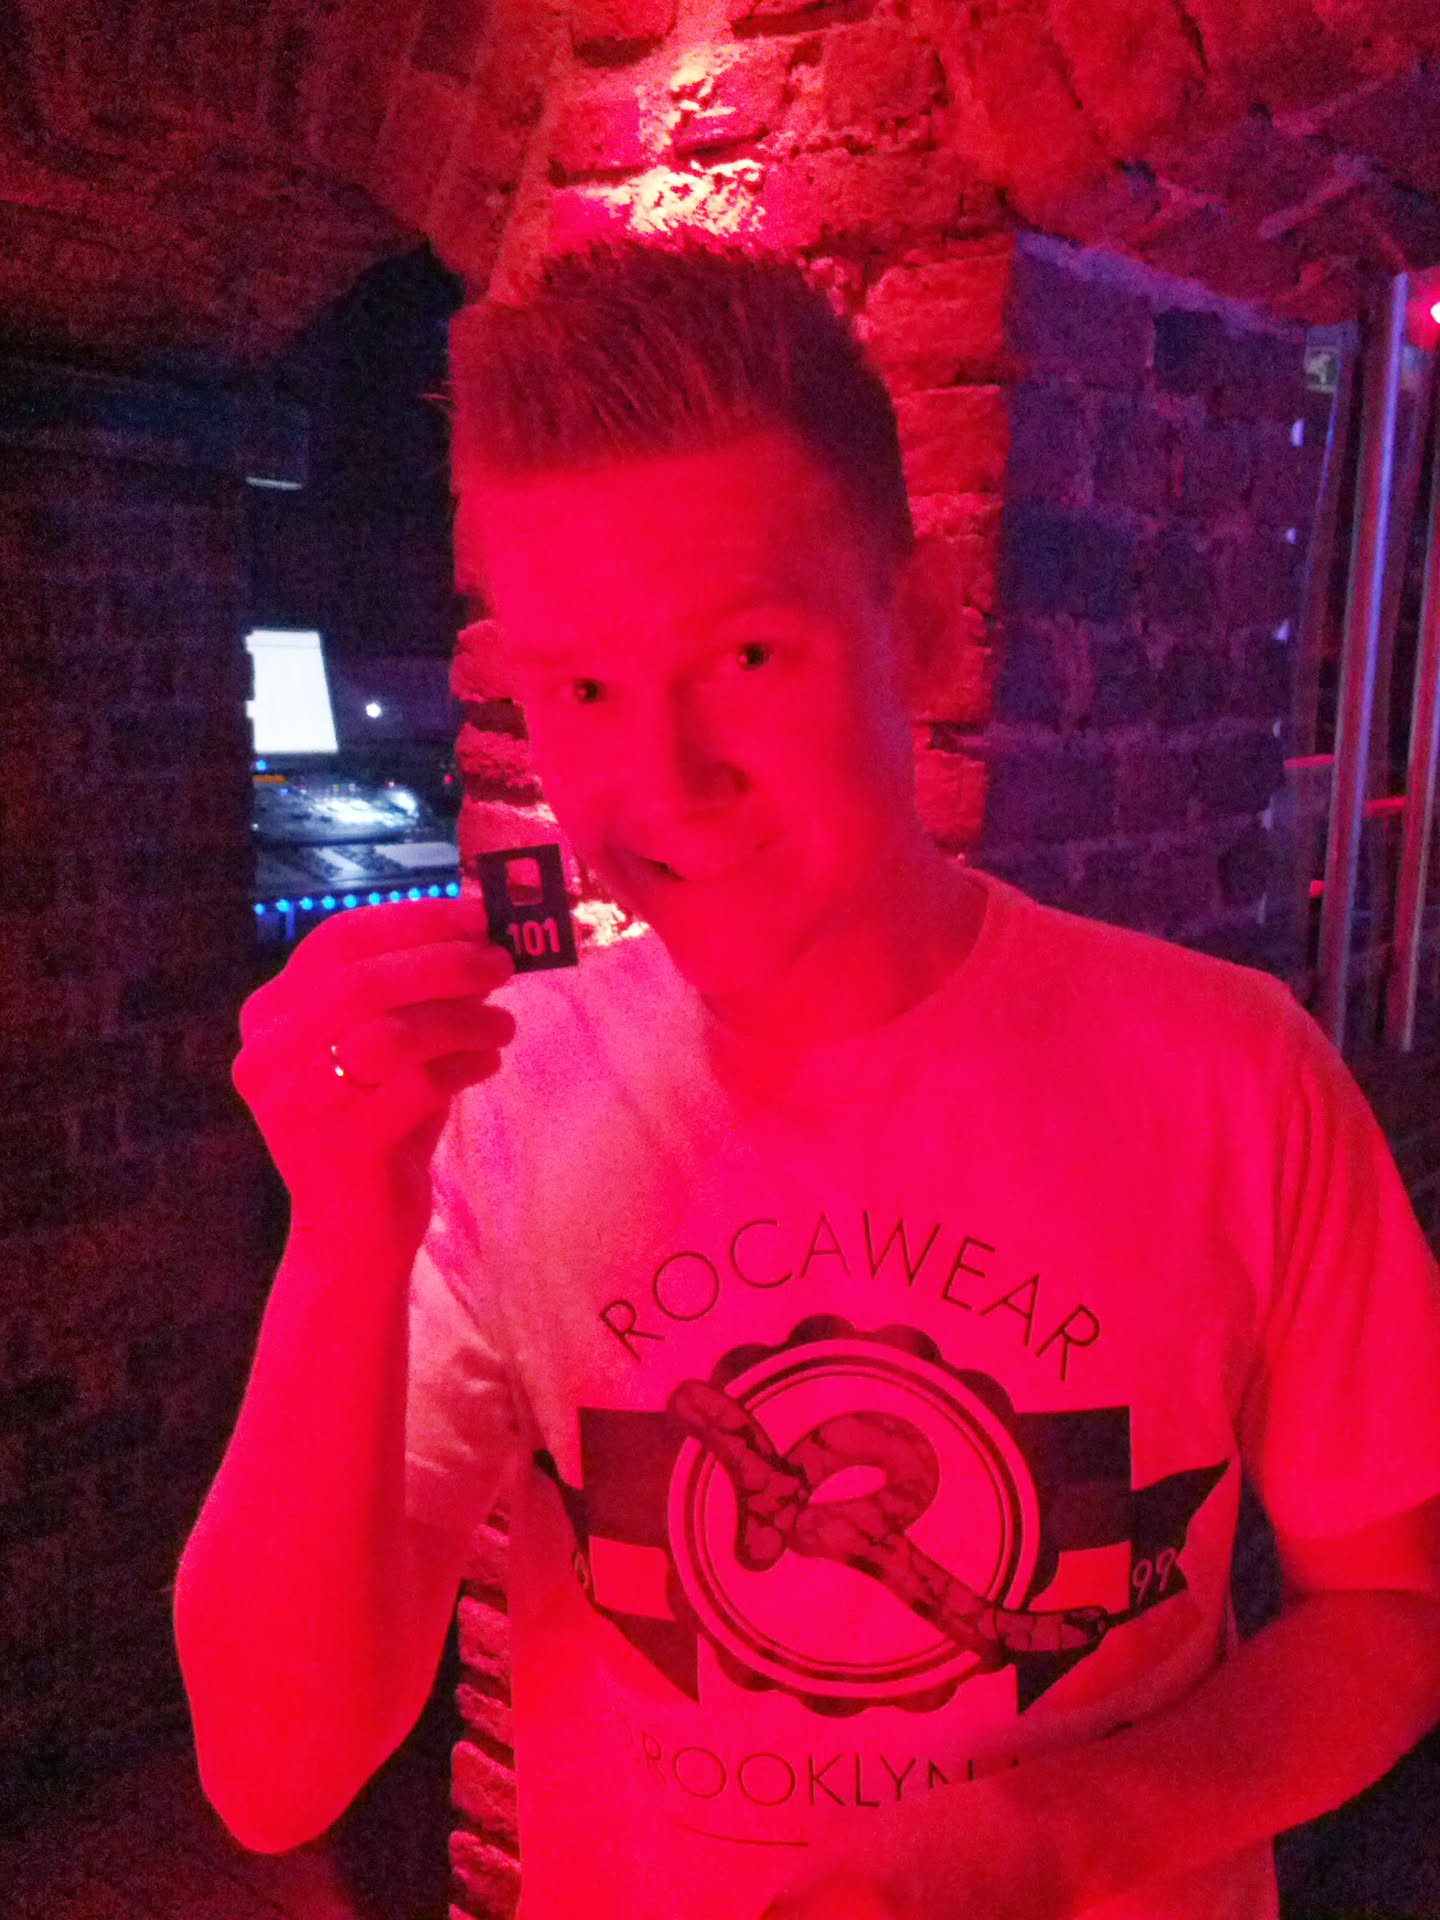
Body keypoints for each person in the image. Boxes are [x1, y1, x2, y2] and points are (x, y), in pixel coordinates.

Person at [174, 239, 1440, 1920]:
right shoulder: (503, 1106)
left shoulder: (1233, 1075)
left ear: (916, 630)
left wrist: (1072, 1836)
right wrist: (343, 1230)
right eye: (582, 687)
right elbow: (274, 1772)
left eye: (749, 658)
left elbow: (1391, 1618)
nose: (666, 780)